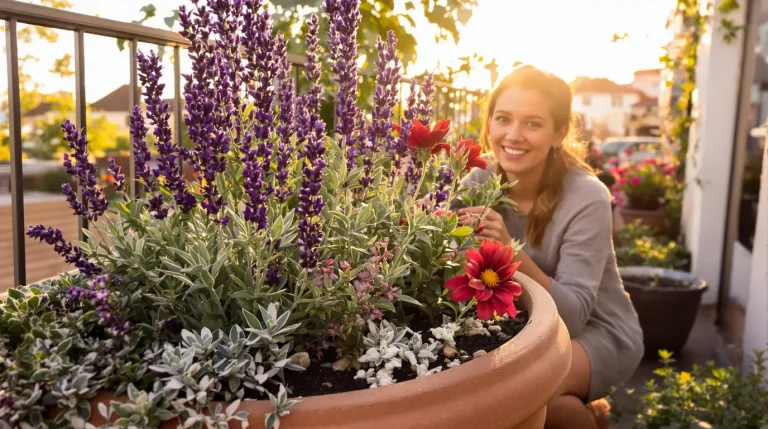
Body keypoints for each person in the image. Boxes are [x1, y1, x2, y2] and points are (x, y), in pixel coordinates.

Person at [453, 65, 643, 429]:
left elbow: (572, 317)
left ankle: (582, 411)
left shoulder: (587, 197)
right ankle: (588, 408)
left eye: (532, 124)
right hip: (523, 326)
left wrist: (509, 252)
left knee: (529, 394)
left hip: (598, 330)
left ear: (559, 132)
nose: (513, 135)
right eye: (503, 118)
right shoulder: (476, 182)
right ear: (489, 123)